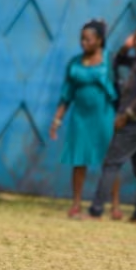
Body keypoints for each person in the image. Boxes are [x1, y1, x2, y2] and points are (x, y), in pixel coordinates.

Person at [87, 25, 136, 225]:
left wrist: (126, 115)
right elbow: (118, 62)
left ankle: (96, 210)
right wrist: (125, 48)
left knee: (111, 164)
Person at [49, 19, 122, 220]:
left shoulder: (109, 61)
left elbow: (120, 88)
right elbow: (66, 94)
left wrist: (121, 115)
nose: (83, 43)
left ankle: (115, 206)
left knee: (110, 162)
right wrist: (57, 120)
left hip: (104, 116)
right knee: (79, 160)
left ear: (99, 40)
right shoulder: (74, 63)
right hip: (80, 118)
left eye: (88, 39)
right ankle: (76, 203)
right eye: (82, 39)